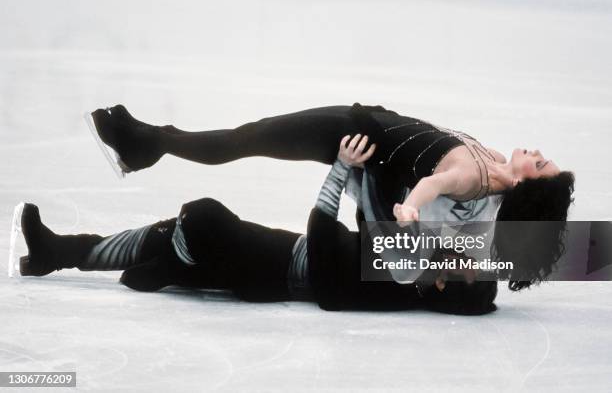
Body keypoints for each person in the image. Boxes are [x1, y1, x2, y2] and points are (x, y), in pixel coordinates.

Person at [86, 103, 575, 290]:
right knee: (248, 136)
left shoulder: (474, 176)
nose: (536, 151)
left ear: (529, 183)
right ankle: (147, 142)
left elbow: (436, 186)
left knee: (247, 138)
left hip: (355, 137)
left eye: (540, 163)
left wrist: (409, 209)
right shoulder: (491, 161)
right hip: (375, 123)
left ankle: (146, 143)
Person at [16, 136, 497, 315]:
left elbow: (331, 282)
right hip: (275, 257)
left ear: (442, 285)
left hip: (270, 269)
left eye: (465, 268)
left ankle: (172, 262)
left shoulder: (397, 284)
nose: (464, 257)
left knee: (199, 217)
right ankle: (56, 254)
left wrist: (342, 170)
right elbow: (360, 236)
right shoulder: (410, 273)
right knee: (175, 230)